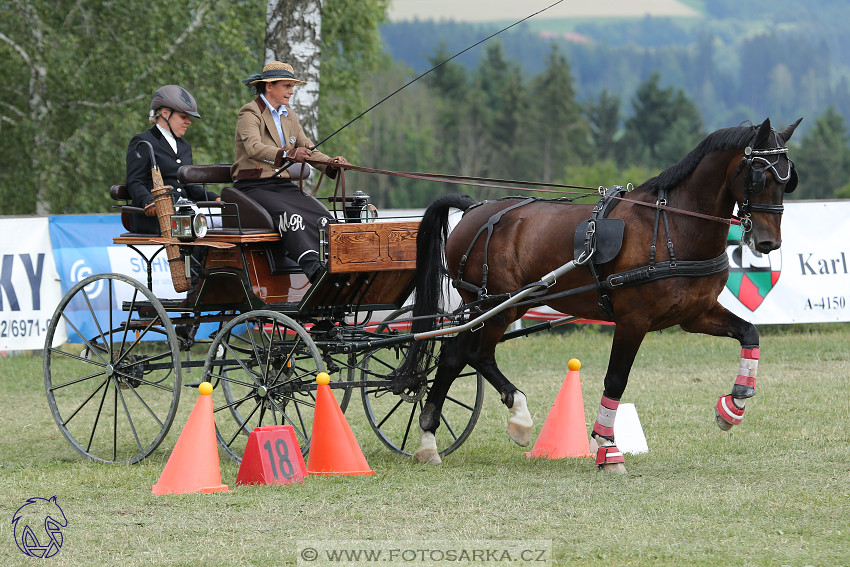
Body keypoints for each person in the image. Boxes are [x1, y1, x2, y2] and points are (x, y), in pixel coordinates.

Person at [232, 61, 349, 283]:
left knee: (324, 217)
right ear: (269, 86)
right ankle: (314, 269)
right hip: (253, 186)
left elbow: (308, 148)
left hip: (281, 185)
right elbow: (253, 148)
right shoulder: (250, 112)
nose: (292, 91)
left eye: (292, 86)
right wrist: (288, 155)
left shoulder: (290, 116)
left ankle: (336, 264)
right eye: (287, 86)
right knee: (292, 218)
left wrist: (331, 163)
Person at [125, 85, 220, 234]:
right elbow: (135, 181)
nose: (188, 122)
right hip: (157, 215)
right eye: (183, 117)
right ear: (165, 113)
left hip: (184, 211)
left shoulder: (185, 146)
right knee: (201, 225)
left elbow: (189, 186)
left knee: (226, 218)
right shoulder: (143, 141)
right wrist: (149, 201)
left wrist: (215, 198)